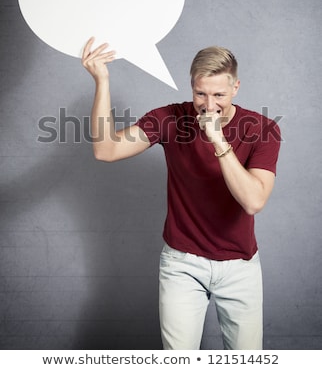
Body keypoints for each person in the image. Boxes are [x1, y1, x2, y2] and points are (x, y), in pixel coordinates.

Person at [82, 37, 281, 350]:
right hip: (182, 264)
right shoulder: (170, 118)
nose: (209, 104)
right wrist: (102, 81)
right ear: (191, 86)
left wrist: (218, 141)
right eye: (200, 93)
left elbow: (253, 201)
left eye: (219, 94)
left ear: (236, 87)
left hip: (241, 266)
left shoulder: (262, 128)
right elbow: (105, 150)